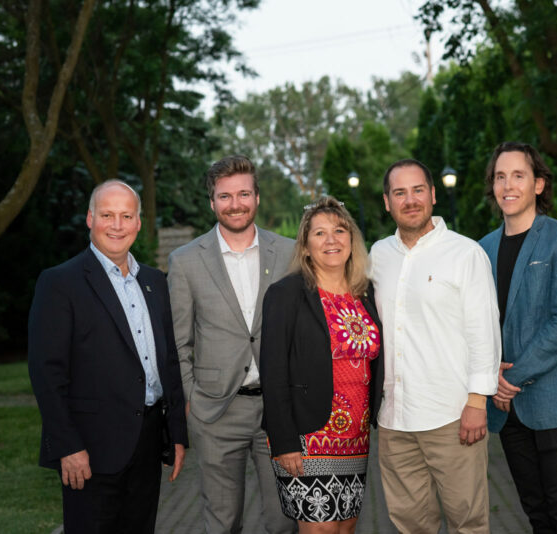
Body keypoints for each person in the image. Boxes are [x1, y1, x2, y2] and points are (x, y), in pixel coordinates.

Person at [28, 180, 188, 534]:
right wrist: (67, 446)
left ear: (138, 223)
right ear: (89, 218)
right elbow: (46, 373)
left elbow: (169, 362)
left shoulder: (154, 282)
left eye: (126, 216)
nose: (117, 225)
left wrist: (176, 433)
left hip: (147, 442)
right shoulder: (60, 283)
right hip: (89, 448)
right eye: (107, 215)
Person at [369, 158, 501, 534]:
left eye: (417, 190)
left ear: (432, 196)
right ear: (386, 202)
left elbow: (484, 332)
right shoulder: (377, 256)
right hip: (394, 420)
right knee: (411, 525)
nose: (410, 200)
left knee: (467, 522)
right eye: (400, 193)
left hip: (452, 416)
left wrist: (478, 402)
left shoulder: (465, 253)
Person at [167, 155, 296, 534]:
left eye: (243, 194)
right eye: (225, 196)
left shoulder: (289, 253)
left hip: (278, 412)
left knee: (285, 519)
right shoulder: (186, 261)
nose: (235, 204)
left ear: (257, 197)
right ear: (212, 202)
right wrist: (191, 398)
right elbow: (179, 339)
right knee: (223, 523)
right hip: (216, 412)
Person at [478, 141, 557, 533]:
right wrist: (487, 374)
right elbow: (478, 324)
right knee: (535, 512)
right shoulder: (482, 249)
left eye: (518, 175)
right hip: (505, 408)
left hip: (554, 400)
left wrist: (509, 378)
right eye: (500, 176)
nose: (507, 185)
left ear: (539, 184)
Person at [259, 196, 384, 534]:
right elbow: (272, 373)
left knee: (345, 527)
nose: (332, 240)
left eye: (339, 230)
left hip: (356, 438)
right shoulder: (286, 294)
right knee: (321, 529)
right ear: (305, 247)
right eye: (319, 233)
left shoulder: (365, 293)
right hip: (308, 436)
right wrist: (283, 441)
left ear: (352, 240)